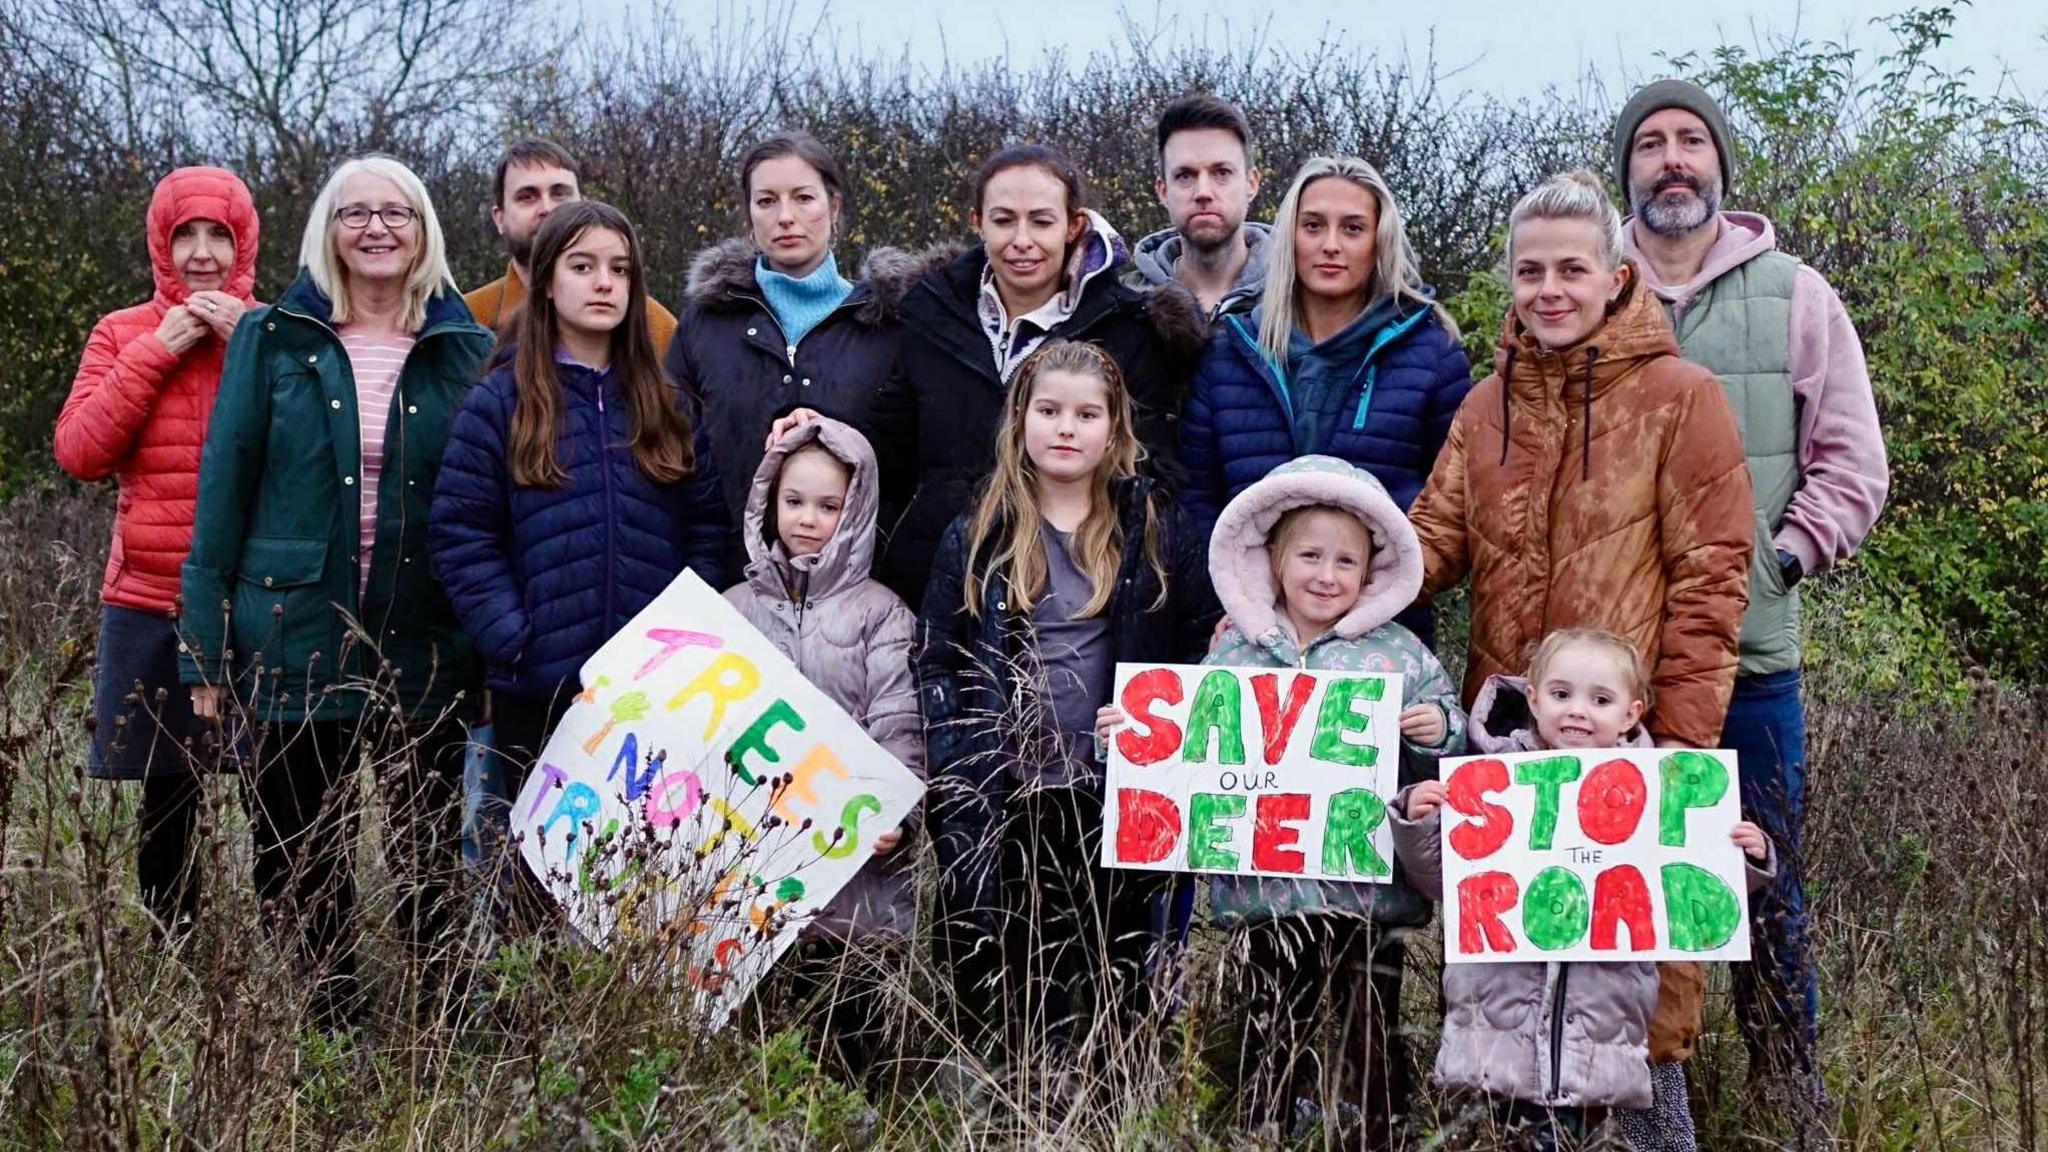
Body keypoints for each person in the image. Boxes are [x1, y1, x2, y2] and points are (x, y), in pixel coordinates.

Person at [1406, 167, 1757, 1136]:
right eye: (1528, 270)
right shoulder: (1485, 407)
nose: (1548, 289)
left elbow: (1711, 580)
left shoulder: (1681, 398)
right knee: (1517, 980)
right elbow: (1430, 542)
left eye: (1570, 267)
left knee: (1640, 996)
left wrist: (1678, 752)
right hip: (1511, 750)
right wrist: (1296, 588)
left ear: (1615, 274)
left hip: (1628, 744)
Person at [1615, 79, 1889, 1103]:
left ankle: (1786, 1094)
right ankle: (1633, 1095)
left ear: (1719, 166)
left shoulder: (1795, 294)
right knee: (1624, 883)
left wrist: (1772, 561)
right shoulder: (1589, 288)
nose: (1671, 158)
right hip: (1614, 671)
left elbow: (1852, 464)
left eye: (1690, 140)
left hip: (1751, 654)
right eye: (1649, 144)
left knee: (1763, 881)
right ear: (1626, 171)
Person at [179, 155, 494, 1027]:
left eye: (396, 212)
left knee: (428, 846)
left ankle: (437, 1025)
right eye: (356, 213)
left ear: (424, 229)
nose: (377, 228)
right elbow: (224, 482)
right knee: (295, 851)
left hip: (424, 637)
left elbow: (489, 503)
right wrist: (204, 648)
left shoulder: (467, 348)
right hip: (289, 625)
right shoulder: (271, 336)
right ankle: (335, 1023)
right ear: (330, 229)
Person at [1130, 454, 1466, 1144]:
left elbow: (1450, 739)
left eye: (1346, 562)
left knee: (1373, 1028)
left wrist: (1439, 728)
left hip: (1371, 897)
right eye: (1309, 556)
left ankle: (1382, 1131)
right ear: (1273, 561)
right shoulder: (1235, 652)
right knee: (1270, 1024)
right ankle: (1266, 1128)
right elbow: (1192, 743)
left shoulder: (1398, 653)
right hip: (1266, 896)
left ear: (1371, 570)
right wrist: (1135, 736)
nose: (1326, 575)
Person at [916, 339, 1219, 1074]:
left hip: (1110, 798)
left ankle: (1104, 1103)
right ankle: (1005, 1103)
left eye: (1087, 415)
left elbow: (1202, 656)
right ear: (1020, 421)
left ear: (1114, 431)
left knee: (1109, 970)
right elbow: (936, 660)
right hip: (1007, 796)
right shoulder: (978, 535)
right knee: (1007, 970)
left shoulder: (1157, 535)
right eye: (1049, 410)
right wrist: (963, 763)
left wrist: (1159, 721)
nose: (1066, 428)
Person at [768, 142, 1207, 609]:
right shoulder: (930, 311)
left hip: (1075, 591)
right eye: (1003, 220)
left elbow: (1149, 469)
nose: (1022, 240)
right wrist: (822, 429)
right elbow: (889, 441)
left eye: (1041, 221)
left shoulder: (1129, 328)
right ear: (977, 222)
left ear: (1073, 225)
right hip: (938, 579)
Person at [429, 200, 730, 875]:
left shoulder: (666, 403)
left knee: (648, 876)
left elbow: (707, 529)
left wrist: (683, 644)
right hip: (539, 691)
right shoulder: (500, 402)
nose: (604, 283)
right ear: (547, 282)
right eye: (583, 266)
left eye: (619, 269)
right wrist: (516, 640)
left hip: (654, 695)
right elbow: (460, 534)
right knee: (544, 879)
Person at [1390, 628, 1774, 1152]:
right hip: (1499, 1032)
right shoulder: (1495, 782)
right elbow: (1441, 884)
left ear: (1632, 713)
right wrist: (1417, 823)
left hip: (1600, 1039)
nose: (1577, 711)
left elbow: (1686, 899)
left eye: (1600, 699)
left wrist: (1744, 860)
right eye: (1561, 693)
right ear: (1533, 698)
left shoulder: (1658, 795)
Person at [55, 166, 261, 938]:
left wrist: (255, 350)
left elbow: (313, 455)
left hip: (255, 601)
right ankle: (176, 961)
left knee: (274, 786)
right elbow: (79, 451)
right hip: (150, 598)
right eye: (186, 236)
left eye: (219, 235)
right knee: (168, 794)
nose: (202, 254)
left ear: (243, 244)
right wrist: (158, 351)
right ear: (160, 244)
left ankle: (280, 961)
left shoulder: (276, 332)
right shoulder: (121, 333)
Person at [1179, 154, 1472, 644]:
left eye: (1353, 228)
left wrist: (1381, 598)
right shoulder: (1231, 350)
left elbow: (1449, 505)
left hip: (1384, 635)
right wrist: (1233, 605)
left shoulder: (1431, 351)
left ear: (1379, 240)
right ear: (1289, 237)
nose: (1330, 245)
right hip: (1249, 632)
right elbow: (1198, 501)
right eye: (1313, 225)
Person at [722, 416, 922, 1086]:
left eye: (829, 506)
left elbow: (898, 717)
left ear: (857, 510)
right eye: (794, 502)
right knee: (762, 1046)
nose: (809, 519)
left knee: (851, 1038)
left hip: (857, 880)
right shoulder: (734, 608)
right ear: (768, 503)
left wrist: (901, 809)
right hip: (755, 875)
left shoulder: (881, 614)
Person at [667, 131, 918, 554]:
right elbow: (672, 458)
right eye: (766, 201)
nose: (785, 217)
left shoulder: (889, 325)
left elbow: (911, 467)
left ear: (833, 206)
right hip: (727, 583)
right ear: (748, 215)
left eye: (803, 198)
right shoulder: (704, 324)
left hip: (860, 589)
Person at [464, 138, 680, 354]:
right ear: (499, 218)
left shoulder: (654, 325)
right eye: (527, 197)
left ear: (585, 205)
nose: (547, 209)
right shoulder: (468, 322)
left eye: (560, 194)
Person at [1122, 94, 1269, 317]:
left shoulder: (1300, 296)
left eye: (1222, 173)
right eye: (1184, 176)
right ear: (1163, 191)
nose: (1203, 192)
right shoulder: (1122, 305)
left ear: (1251, 184)